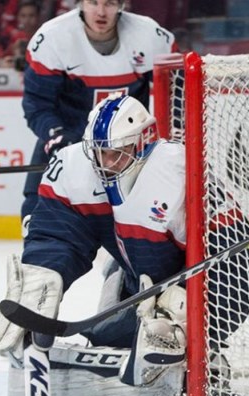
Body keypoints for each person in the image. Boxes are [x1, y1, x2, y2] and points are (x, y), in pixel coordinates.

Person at [0, 94, 249, 396]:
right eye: (99, 152)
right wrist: (44, 277)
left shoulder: (183, 173)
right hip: (137, 284)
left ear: (143, 143)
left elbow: (246, 267)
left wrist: (193, 323)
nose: (106, 163)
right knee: (106, 340)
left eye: (117, 152)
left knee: (165, 337)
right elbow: (58, 234)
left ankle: (207, 364)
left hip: (180, 295)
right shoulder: (73, 167)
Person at [20, 0, 177, 231]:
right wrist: (55, 135)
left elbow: (178, 92)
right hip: (71, 141)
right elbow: (37, 104)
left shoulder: (150, 36)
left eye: (110, 3)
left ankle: (131, 263)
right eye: (93, 2)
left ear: (122, 4)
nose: (101, 12)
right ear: (80, 3)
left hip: (129, 150)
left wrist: (175, 138)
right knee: (37, 215)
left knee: (158, 217)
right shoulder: (53, 38)